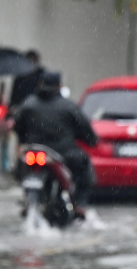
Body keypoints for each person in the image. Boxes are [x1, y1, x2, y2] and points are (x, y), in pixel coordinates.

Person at [14, 71, 98, 207]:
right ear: (59, 85)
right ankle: (79, 206)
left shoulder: (28, 104)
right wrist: (91, 140)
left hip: (34, 150)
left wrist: (26, 139)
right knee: (84, 166)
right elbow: (85, 129)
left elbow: (18, 127)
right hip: (64, 152)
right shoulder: (68, 106)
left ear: (41, 84)